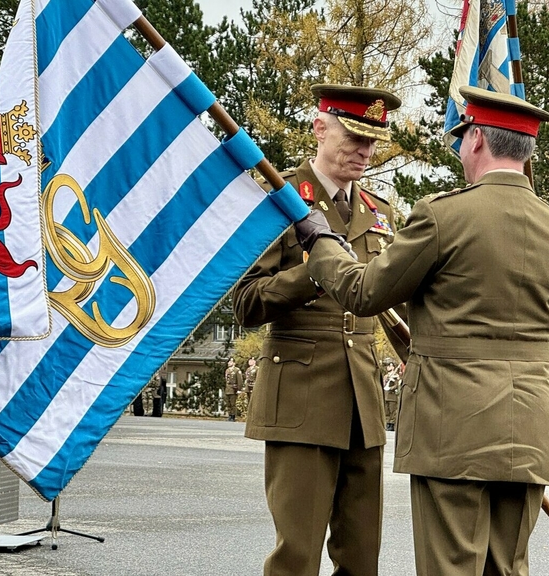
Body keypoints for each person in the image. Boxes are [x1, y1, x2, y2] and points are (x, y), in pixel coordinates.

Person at [297, 85, 549, 576]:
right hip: (530, 428)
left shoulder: (443, 215)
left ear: (475, 141)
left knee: (452, 567)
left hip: (453, 429)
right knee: (508, 568)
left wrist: (322, 242)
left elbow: (365, 294)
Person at [232, 84, 401, 576]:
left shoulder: (380, 214)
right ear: (319, 128)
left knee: (361, 558)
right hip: (302, 399)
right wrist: (316, 271)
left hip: (362, 404)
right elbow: (246, 301)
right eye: (353, 136)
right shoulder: (281, 199)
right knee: (297, 558)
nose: (363, 151)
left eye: (372, 141)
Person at [382, 358, 400, 432]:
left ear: (393, 367)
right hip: (386, 396)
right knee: (387, 411)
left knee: (393, 411)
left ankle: (392, 424)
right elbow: (383, 384)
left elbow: (396, 385)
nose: (388, 367)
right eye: (388, 366)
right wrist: (386, 381)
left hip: (392, 396)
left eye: (390, 366)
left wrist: (390, 388)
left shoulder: (396, 376)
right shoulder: (386, 376)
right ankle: (387, 423)